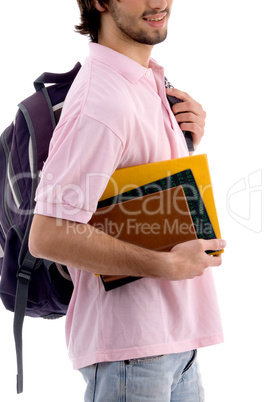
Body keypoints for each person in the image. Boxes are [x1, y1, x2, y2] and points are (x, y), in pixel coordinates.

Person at [29, 0, 226, 400]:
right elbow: (47, 235)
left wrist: (184, 136)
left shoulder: (143, 81)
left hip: (174, 343)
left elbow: (133, 188)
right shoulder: (102, 101)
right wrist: (164, 264)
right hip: (131, 357)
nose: (159, 3)